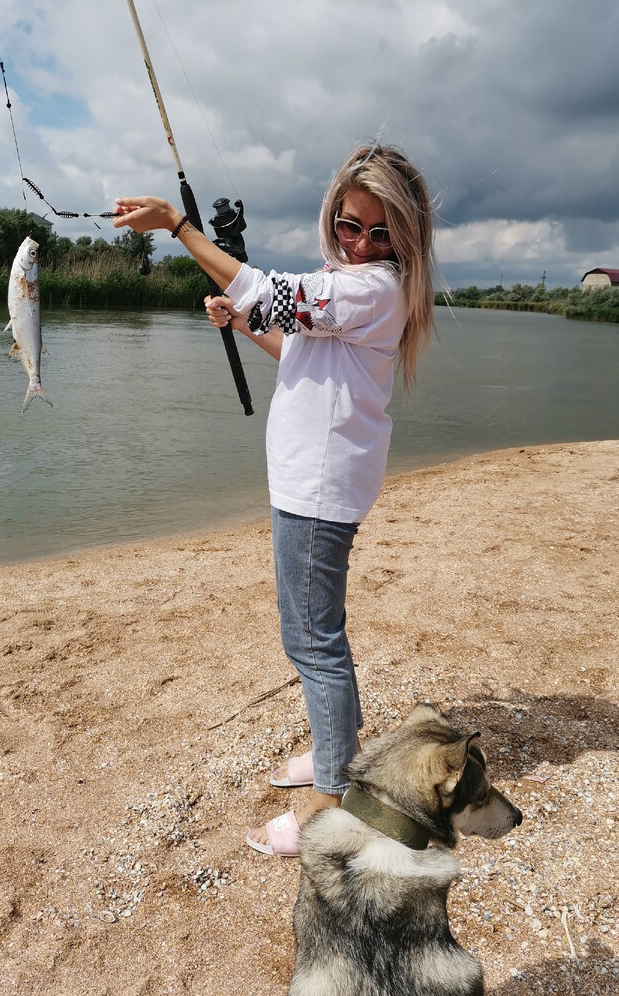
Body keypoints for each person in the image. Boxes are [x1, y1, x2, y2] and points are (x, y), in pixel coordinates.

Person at [112, 142, 437, 856]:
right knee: (315, 636)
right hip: (311, 483)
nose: (361, 244)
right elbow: (294, 347)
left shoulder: (373, 287)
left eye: (381, 232)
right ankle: (336, 758)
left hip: (319, 491)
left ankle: (332, 803)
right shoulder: (349, 285)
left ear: (405, 239)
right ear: (334, 217)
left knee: (314, 642)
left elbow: (270, 290)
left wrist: (178, 228)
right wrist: (244, 322)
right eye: (350, 225)